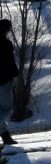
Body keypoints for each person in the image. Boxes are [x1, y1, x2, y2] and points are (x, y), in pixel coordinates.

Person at [0, 18, 17, 146]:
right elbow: (9, 61)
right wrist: (15, 74)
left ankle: (6, 138)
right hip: (2, 80)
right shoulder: (5, 43)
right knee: (8, 109)